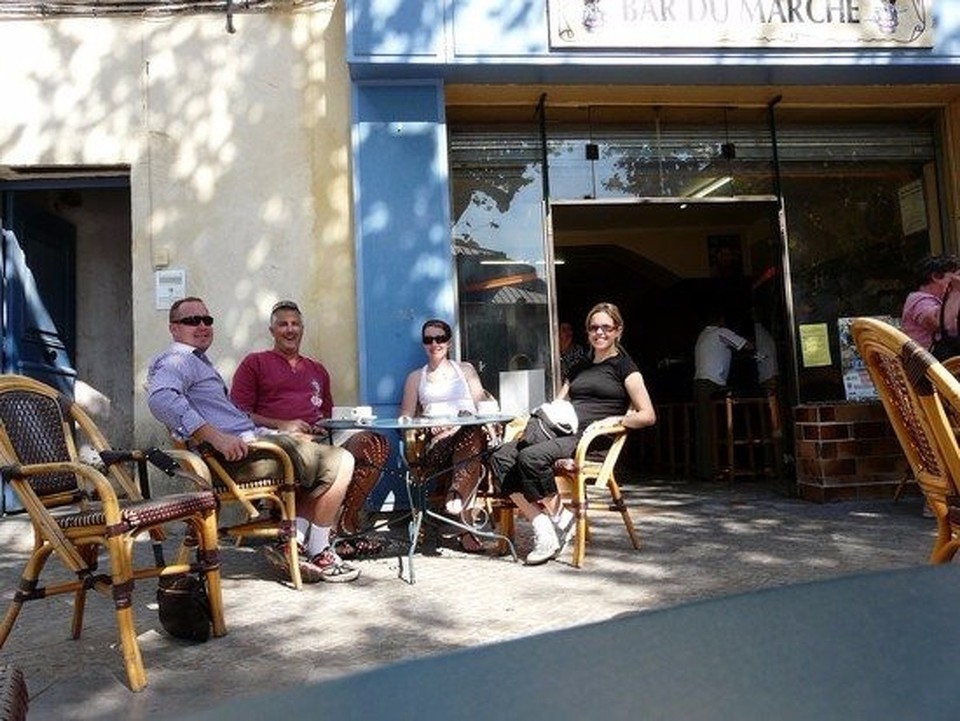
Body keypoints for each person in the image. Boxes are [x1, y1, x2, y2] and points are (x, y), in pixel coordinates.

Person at [147, 296, 360, 584]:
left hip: (254, 447)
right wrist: (215, 437)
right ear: (174, 328)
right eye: (191, 321)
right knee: (343, 461)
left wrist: (279, 434)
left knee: (332, 454)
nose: (202, 326)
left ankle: (295, 544)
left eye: (206, 320)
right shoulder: (178, 359)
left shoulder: (196, 361)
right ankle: (318, 548)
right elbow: (161, 399)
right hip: (237, 460)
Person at [488, 302, 656, 566]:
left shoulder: (625, 367)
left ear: (618, 331)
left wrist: (615, 420)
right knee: (501, 456)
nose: (599, 332)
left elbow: (647, 415)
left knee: (531, 458)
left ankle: (556, 524)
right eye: (593, 328)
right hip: (563, 434)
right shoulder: (579, 367)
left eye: (606, 327)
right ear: (588, 332)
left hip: (589, 441)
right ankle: (547, 523)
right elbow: (559, 404)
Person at [229, 300, 390, 548]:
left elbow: (326, 414)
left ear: (302, 329)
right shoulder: (255, 363)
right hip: (278, 444)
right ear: (272, 331)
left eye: (295, 324)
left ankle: (343, 526)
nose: (290, 330)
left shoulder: (317, 369)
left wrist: (324, 426)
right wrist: (282, 425)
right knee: (314, 454)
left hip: (320, 439)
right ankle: (313, 538)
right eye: (283, 324)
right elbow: (237, 414)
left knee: (374, 444)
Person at [399, 319, 490, 552]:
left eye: (439, 338)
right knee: (470, 442)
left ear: (448, 342)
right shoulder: (415, 378)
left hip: (470, 436)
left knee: (469, 430)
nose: (434, 344)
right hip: (438, 446)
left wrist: (470, 421)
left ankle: (456, 492)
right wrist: (430, 426)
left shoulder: (466, 370)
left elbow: (482, 406)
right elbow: (405, 420)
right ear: (423, 344)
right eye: (429, 339)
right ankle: (464, 524)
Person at [692, 310, 753, 482]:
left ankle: (705, 470)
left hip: (699, 383)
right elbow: (748, 345)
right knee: (711, 427)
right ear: (721, 319)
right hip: (712, 384)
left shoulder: (702, 335)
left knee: (703, 428)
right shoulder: (722, 332)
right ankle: (713, 470)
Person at [901, 254, 960, 350]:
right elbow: (940, 323)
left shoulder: (942, 302)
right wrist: (956, 291)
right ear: (936, 276)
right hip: (928, 361)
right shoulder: (919, 299)